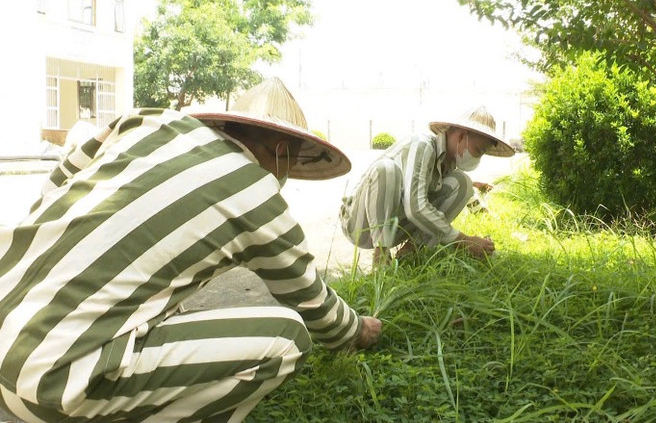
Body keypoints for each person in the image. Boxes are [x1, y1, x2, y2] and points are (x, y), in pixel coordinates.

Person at [0, 78, 381, 422]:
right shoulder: (256, 190)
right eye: (292, 162)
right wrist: (359, 329)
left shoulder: (149, 122)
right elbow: (313, 304)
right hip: (48, 388)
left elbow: (58, 181)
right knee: (289, 337)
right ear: (282, 150)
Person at [339, 106, 516, 265]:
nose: (477, 158)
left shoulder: (449, 165)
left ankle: (410, 254)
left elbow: (458, 195)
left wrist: (480, 207)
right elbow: (415, 206)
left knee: (463, 184)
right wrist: (464, 241)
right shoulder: (421, 145)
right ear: (461, 136)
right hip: (360, 225)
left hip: (395, 226)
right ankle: (382, 258)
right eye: (478, 151)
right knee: (387, 169)